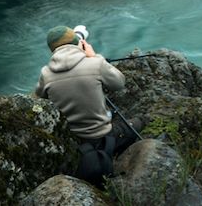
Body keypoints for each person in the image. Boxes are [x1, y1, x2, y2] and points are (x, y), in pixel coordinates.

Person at [35, 26, 142, 181]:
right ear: (79, 43)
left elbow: (40, 100)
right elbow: (119, 83)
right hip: (104, 135)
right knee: (140, 122)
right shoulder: (95, 64)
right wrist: (95, 57)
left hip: (76, 139)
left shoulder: (45, 73)